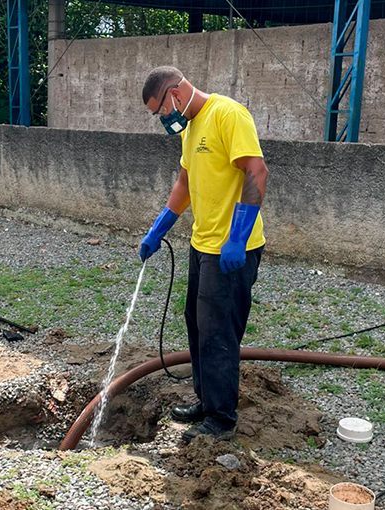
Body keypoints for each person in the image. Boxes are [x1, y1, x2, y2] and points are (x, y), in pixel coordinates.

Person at [139, 66, 269, 443]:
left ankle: (221, 419)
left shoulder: (228, 114)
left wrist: (238, 238)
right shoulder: (191, 129)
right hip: (202, 245)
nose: (162, 118)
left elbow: (256, 172)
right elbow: (185, 183)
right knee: (197, 324)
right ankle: (207, 399)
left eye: (160, 110)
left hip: (230, 250)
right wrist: (158, 229)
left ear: (175, 93)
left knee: (218, 332)